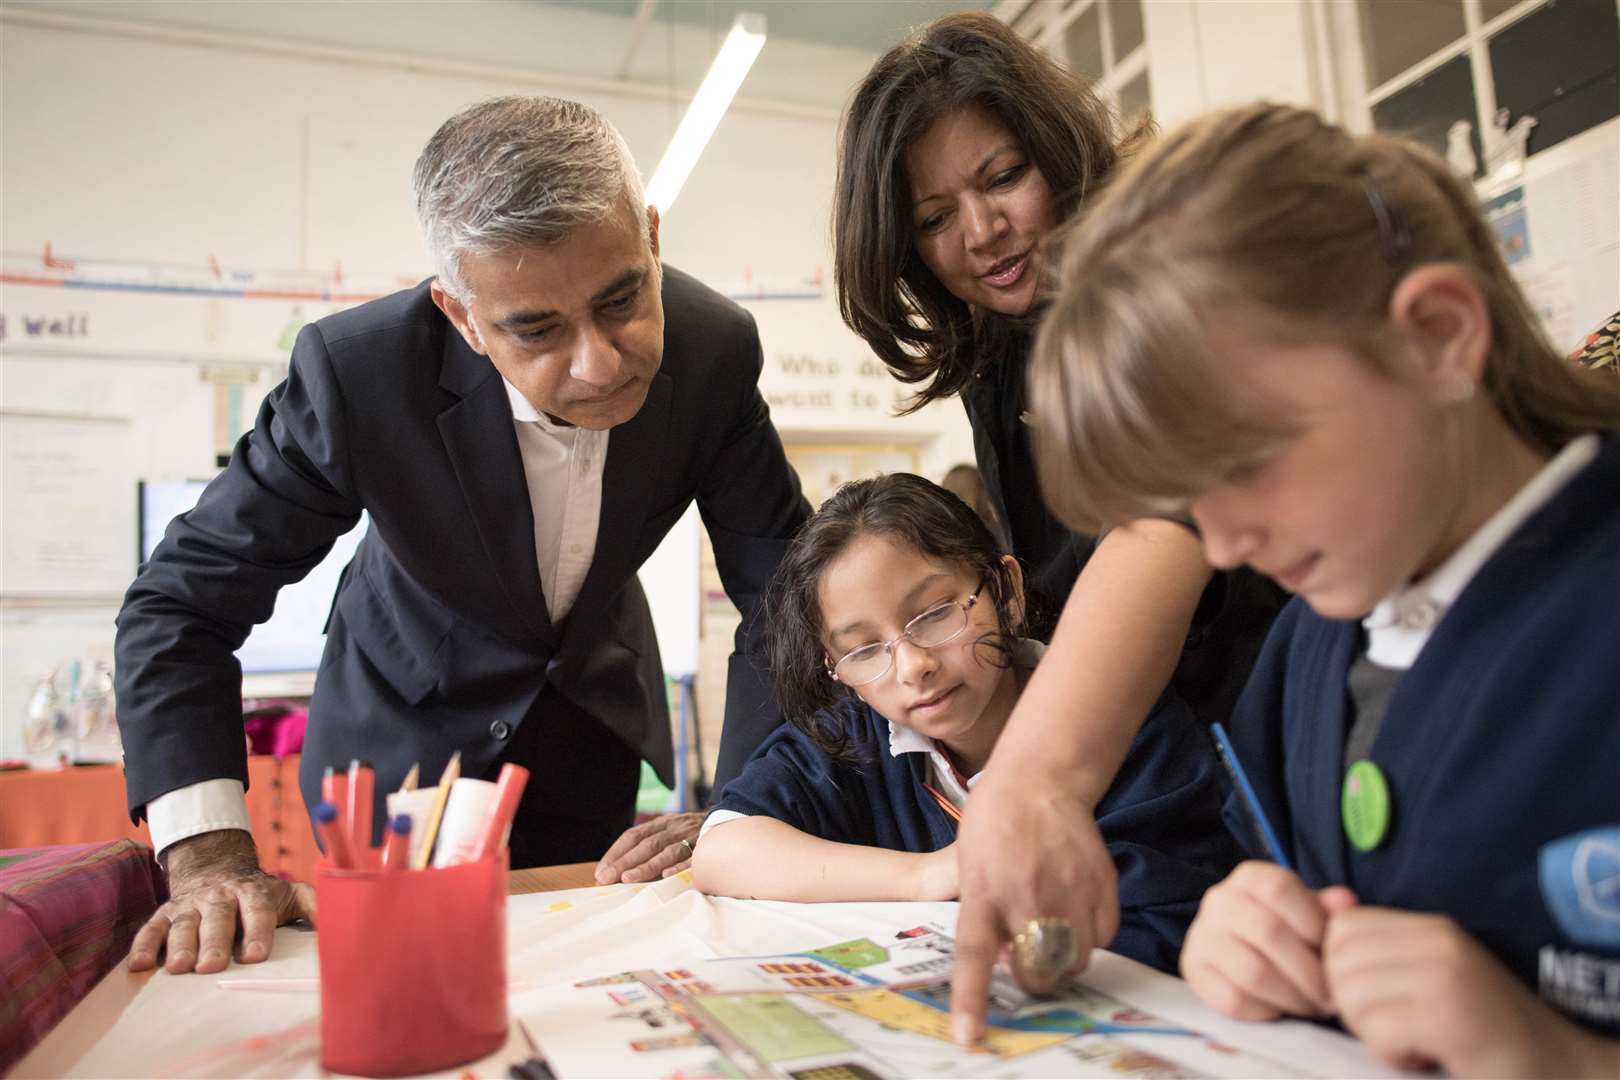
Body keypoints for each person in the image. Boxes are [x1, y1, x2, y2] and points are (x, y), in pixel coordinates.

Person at [115, 95, 809, 975]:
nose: (601, 361)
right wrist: (208, 858)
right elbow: (178, 605)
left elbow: (786, 594)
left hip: (587, 736)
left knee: (586, 992)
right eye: (537, 329)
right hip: (399, 757)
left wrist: (743, 810)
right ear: (462, 316)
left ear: (652, 238)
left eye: (622, 298)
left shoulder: (714, 352)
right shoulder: (359, 377)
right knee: (412, 995)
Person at [1030, 102, 1620, 1077]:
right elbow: (1271, 866)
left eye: (1249, 461)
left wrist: (1551, 1053)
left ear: (1435, 336)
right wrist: (1242, 930)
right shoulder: (1313, 646)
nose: (1219, 544)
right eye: (1184, 499)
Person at [831, 12, 1286, 1036]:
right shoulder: (998, 353)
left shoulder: (1148, 284)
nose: (980, 231)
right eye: (934, 214)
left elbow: (1157, 527)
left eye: (1002, 179)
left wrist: (1031, 780)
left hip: (1256, 711)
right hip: (1151, 742)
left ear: (1061, 154)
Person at [692, 473, 1238, 973]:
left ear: (1007, 590)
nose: (913, 667)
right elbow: (724, 846)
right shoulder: (852, 737)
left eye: (934, 615)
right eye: (862, 649)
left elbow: (1170, 922)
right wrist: (933, 874)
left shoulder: (1119, 718)